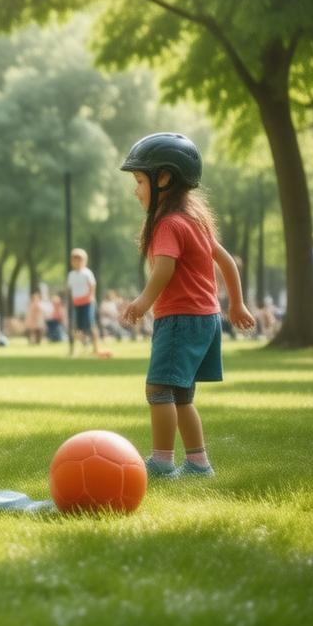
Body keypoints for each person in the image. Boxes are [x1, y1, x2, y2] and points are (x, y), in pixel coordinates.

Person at [118, 133, 254, 478]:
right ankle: (198, 463)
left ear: (163, 178)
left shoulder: (168, 223)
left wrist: (142, 302)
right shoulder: (196, 221)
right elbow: (227, 262)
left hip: (181, 319)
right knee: (181, 396)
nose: (136, 190)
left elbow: (165, 268)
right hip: (205, 318)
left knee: (158, 388)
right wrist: (235, 305)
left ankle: (162, 463)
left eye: (138, 180)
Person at [67, 248, 110, 356]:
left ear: (84, 261)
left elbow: (92, 286)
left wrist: (90, 298)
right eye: (74, 260)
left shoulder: (87, 273)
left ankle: (96, 348)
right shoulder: (71, 275)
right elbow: (71, 289)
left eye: (79, 260)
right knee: (77, 327)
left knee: (90, 325)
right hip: (77, 304)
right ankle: (81, 345)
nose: (77, 262)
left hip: (87, 303)